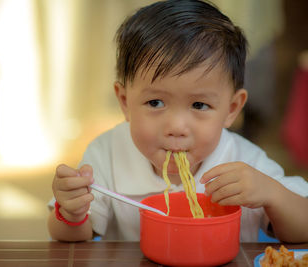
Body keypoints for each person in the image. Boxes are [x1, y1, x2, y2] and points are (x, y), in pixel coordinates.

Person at [47, 0, 308, 243]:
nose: (176, 128)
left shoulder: (244, 159)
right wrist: (71, 213)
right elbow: (72, 238)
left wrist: (274, 195)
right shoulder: (107, 153)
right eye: (155, 103)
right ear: (125, 102)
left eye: (199, 105)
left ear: (231, 109)